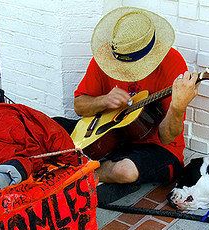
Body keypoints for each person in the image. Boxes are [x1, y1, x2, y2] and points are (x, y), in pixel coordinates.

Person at [72, 6, 198, 195]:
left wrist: (178, 106)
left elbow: (167, 137)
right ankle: (93, 170)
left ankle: (82, 172)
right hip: (112, 137)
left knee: (125, 171)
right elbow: (79, 106)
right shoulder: (105, 55)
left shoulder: (172, 62)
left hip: (157, 147)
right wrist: (104, 101)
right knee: (53, 129)